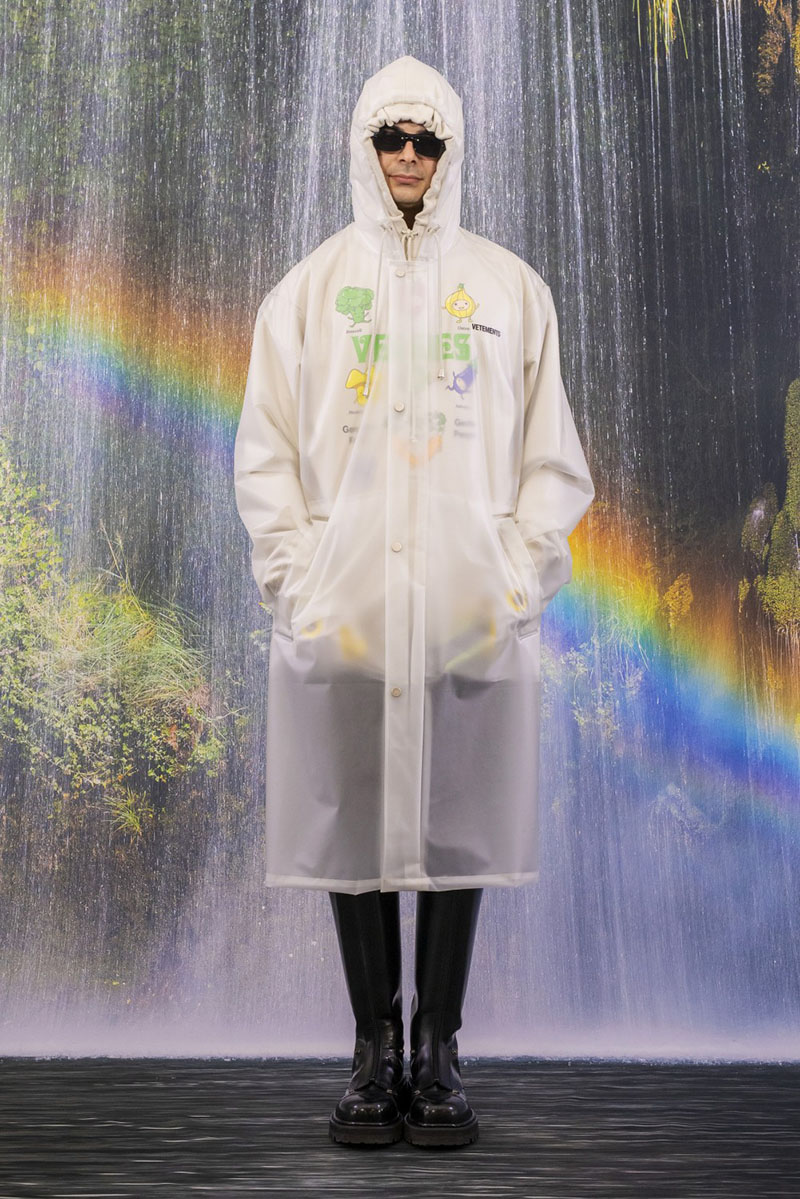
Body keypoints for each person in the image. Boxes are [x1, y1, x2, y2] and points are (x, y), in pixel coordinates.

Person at [233, 55, 594, 1148]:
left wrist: (516, 575)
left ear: (450, 151)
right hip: (344, 610)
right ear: (362, 145)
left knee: (455, 825)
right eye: (389, 137)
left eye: (424, 139)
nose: (405, 155)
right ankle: (369, 1048)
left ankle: (437, 1050)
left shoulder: (507, 290)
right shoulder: (306, 293)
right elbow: (266, 451)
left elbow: (549, 453)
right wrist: (298, 582)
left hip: (464, 609)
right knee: (352, 820)